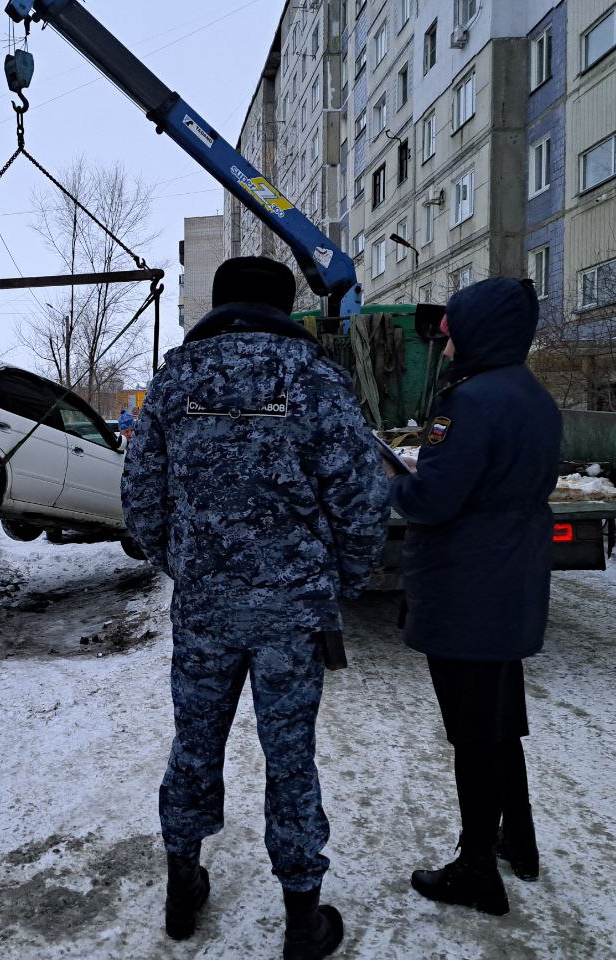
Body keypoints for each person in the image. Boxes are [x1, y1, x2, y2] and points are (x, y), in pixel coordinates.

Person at [121, 256, 390, 959]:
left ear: (218, 302)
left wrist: (181, 564)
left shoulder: (175, 380)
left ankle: (183, 890)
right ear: (283, 304)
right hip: (292, 612)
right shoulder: (315, 379)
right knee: (290, 758)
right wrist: (340, 580)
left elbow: (141, 496)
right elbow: (362, 501)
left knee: (194, 744)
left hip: (206, 606)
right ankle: (303, 922)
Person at [383, 277, 561, 916]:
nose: (445, 338)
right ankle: (520, 840)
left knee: (473, 735)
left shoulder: (469, 403)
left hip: (467, 589)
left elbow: (432, 500)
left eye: (451, 326)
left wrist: (391, 486)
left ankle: (476, 870)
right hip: (510, 580)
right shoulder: (532, 395)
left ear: (476, 330)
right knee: (498, 721)